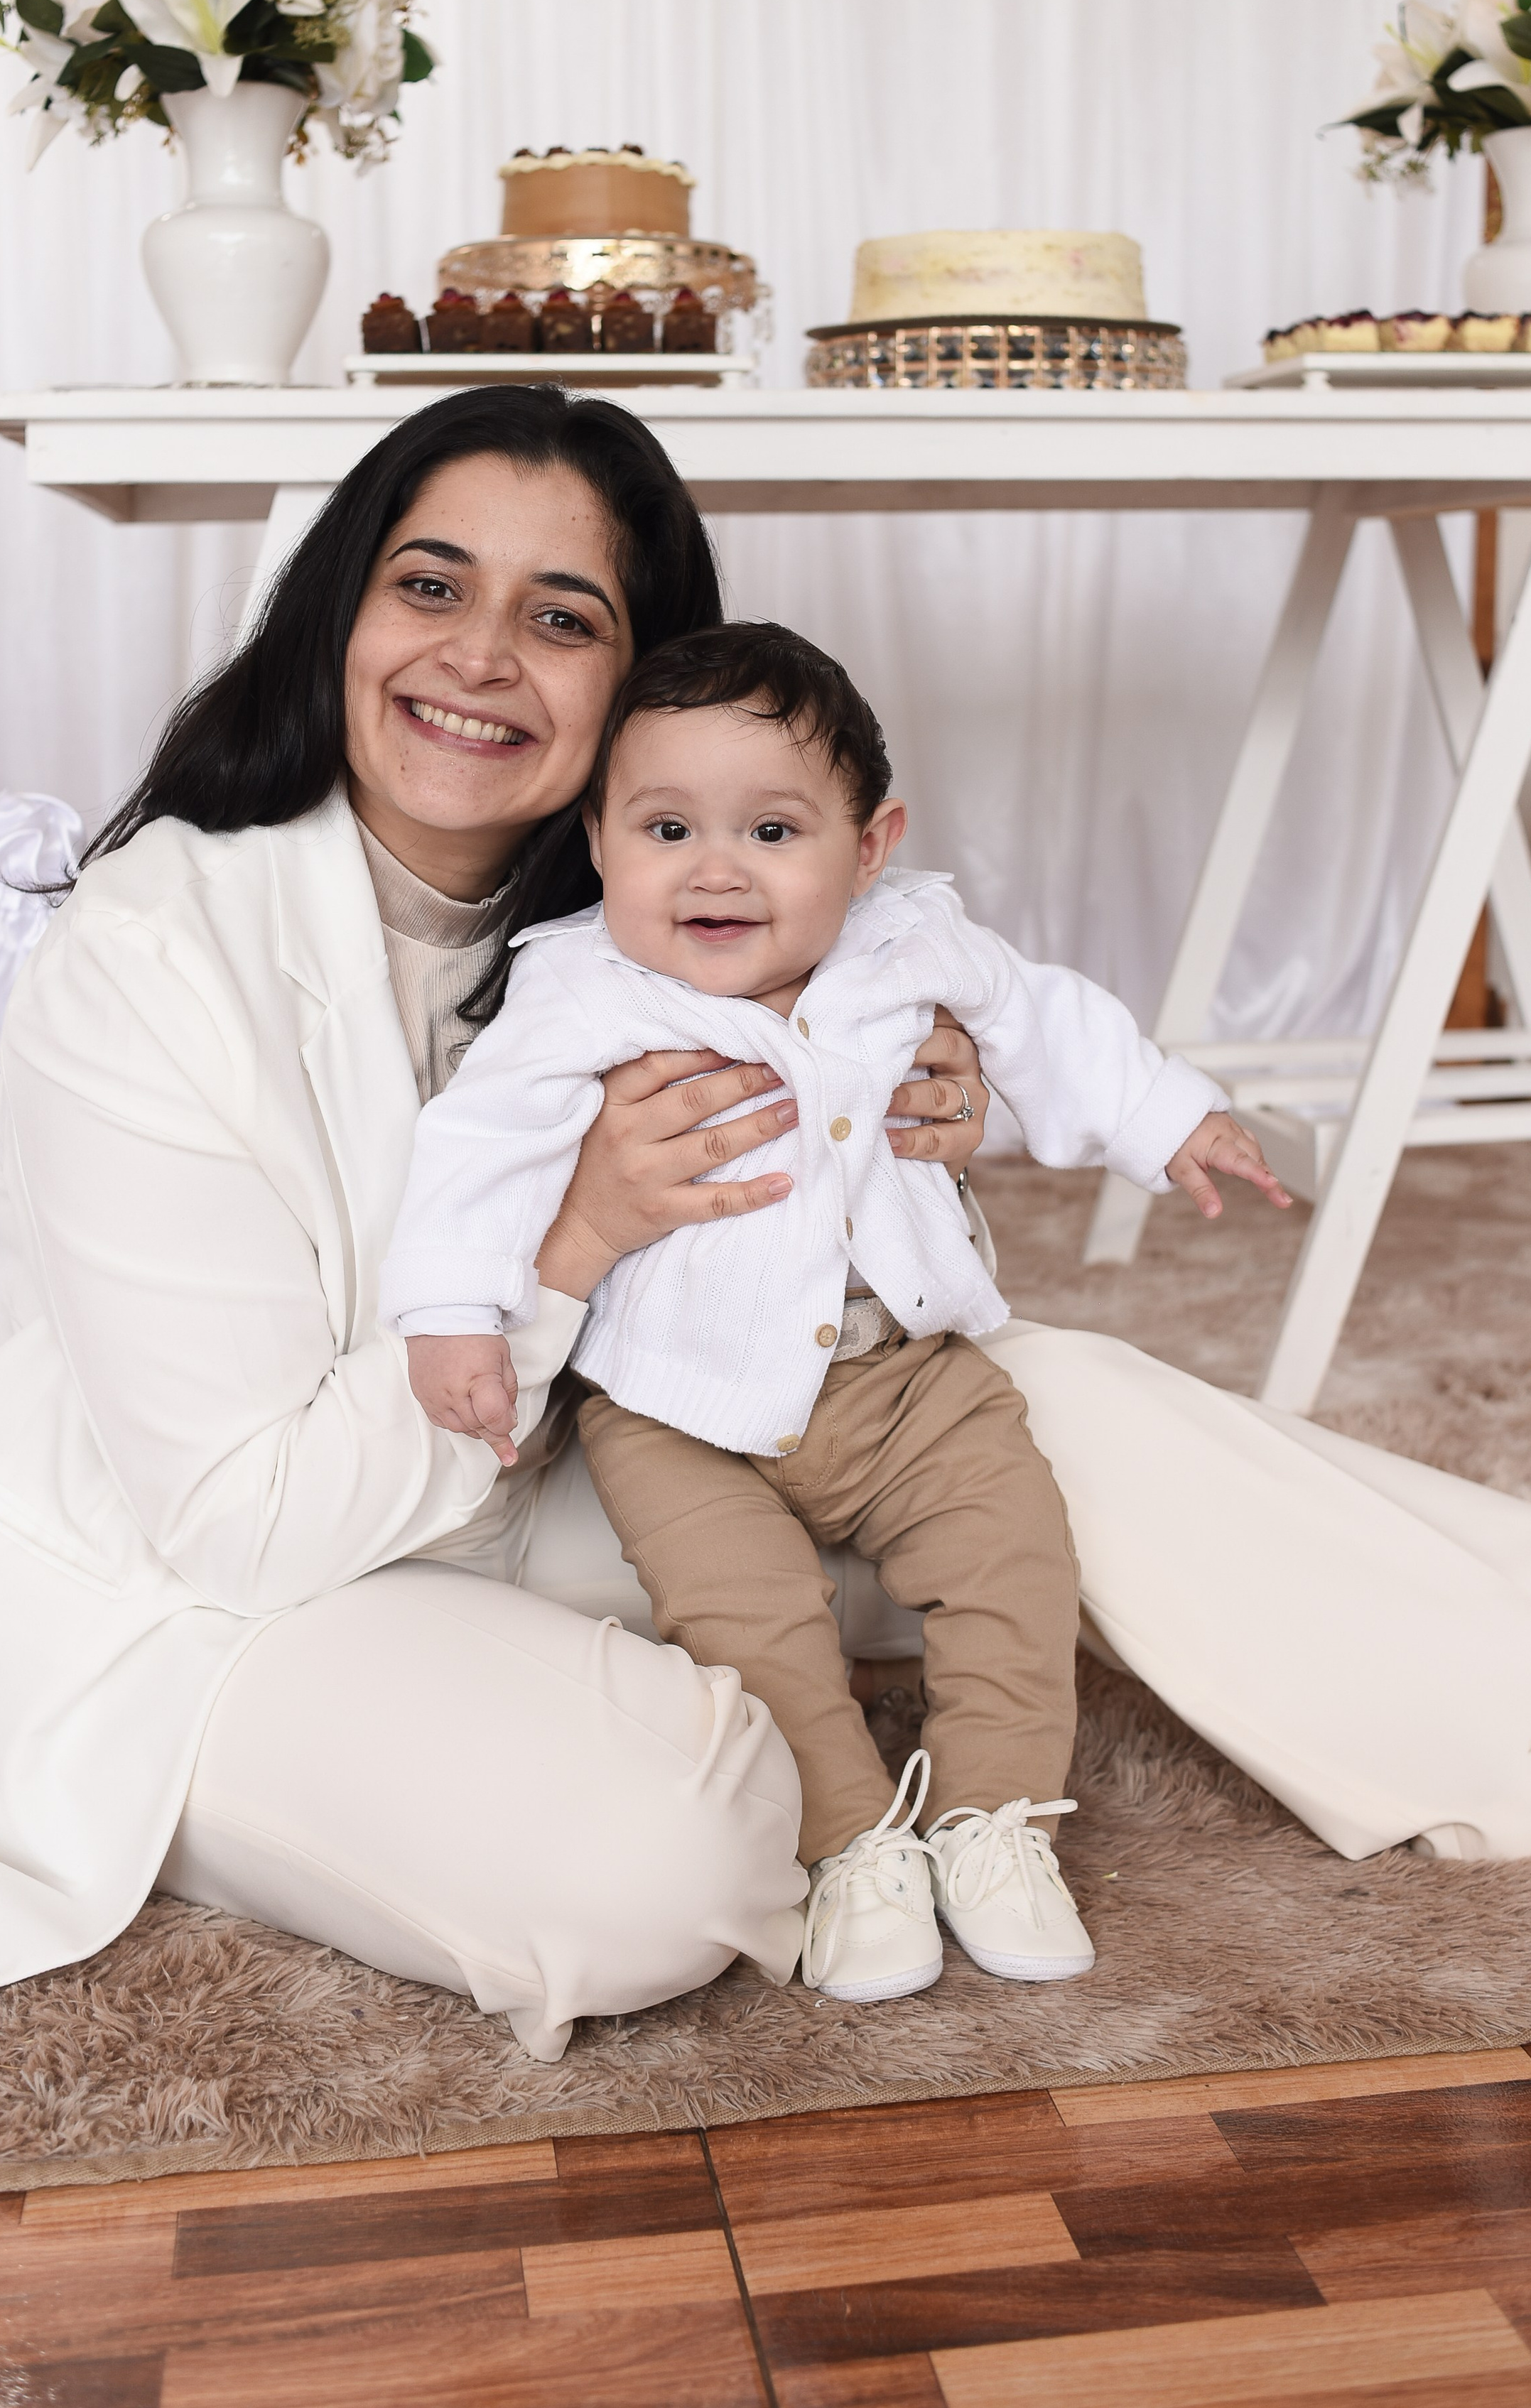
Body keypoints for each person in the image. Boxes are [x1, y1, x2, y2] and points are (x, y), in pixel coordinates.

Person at [0, 390, 1531, 2068]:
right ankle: (475, 1777)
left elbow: (924, 1024)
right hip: (212, 1591)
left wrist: (937, 1102)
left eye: (561, 617)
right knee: (664, 1853)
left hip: (545, 1477)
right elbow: (244, 1516)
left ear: (635, 692)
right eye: (430, 584)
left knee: (1023, 1405)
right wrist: (567, 1242)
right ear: (338, 611)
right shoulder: (157, 949)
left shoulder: (657, 905)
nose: (479, 655)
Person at [384, 622, 1290, 2006]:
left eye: (771, 828)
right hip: (673, 1400)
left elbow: (1048, 1024)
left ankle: (991, 1817)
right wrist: (453, 1311)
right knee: (743, 1620)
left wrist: (1169, 1119)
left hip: (903, 1370)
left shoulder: (909, 940)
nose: (714, 866)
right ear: (599, 836)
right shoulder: (581, 984)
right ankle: (848, 1838)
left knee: (1013, 1554)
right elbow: (480, 1143)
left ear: (867, 847)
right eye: (666, 825)